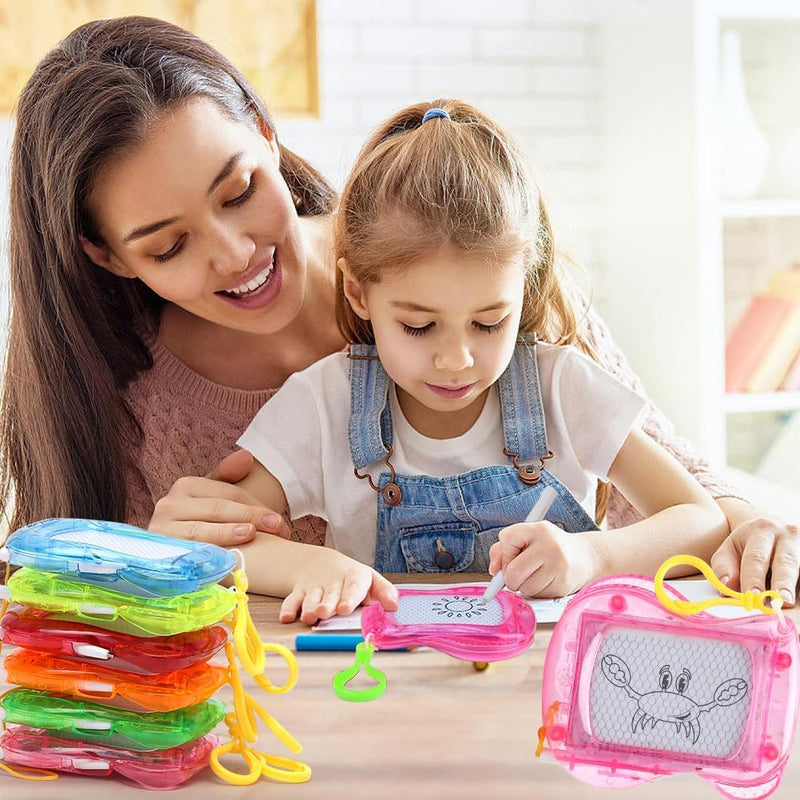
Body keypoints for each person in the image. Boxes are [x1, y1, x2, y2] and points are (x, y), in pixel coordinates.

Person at [0, 17, 796, 608]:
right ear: (106, 256)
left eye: (240, 190)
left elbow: (687, 496)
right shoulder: (130, 402)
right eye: (169, 246)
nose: (234, 252)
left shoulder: (464, 257)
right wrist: (157, 554)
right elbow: (128, 610)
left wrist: (746, 524)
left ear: (268, 134)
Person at [187, 98, 734, 622]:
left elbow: (701, 520)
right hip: (384, 688)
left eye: (490, 322)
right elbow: (214, 544)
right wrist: (309, 564)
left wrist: (593, 557)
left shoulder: (560, 388)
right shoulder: (324, 402)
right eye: (418, 326)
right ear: (357, 294)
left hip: (547, 682)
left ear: (525, 289)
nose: (456, 360)